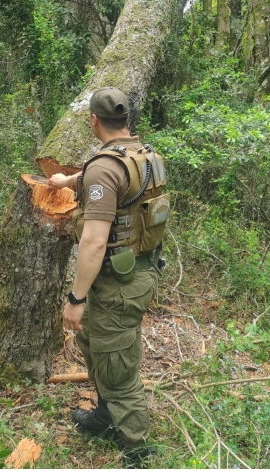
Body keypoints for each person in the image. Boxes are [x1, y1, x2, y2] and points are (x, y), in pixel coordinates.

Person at [47, 87, 170, 469]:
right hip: (140, 271)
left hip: (117, 284)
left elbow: (95, 242)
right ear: (127, 120)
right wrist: (68, 183)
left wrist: (76, 298)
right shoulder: (145, 155)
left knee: (117, 366)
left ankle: (137, 449)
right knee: (95, 343)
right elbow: (110, 179)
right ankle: (105, 415)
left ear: (94, 121)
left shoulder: (105, 166)